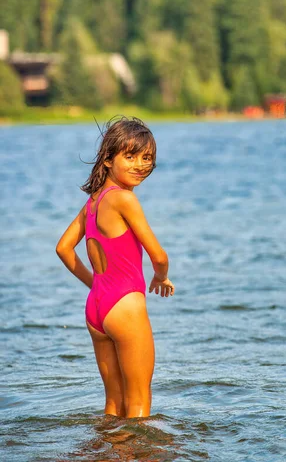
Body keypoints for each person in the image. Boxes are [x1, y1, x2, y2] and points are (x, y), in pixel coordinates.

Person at [56, 116, 174, 419]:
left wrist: (96, 285)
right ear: (108, 159)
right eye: (130, 156)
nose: (140, 165)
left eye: (147, 157)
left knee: (113, 405)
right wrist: (161, 276)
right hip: (125, 308)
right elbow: (158, 255)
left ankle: (106, 453)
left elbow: (63, 248)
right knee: (138, 405)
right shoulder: (124, 199)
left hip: (96, 309)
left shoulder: (94, 201)